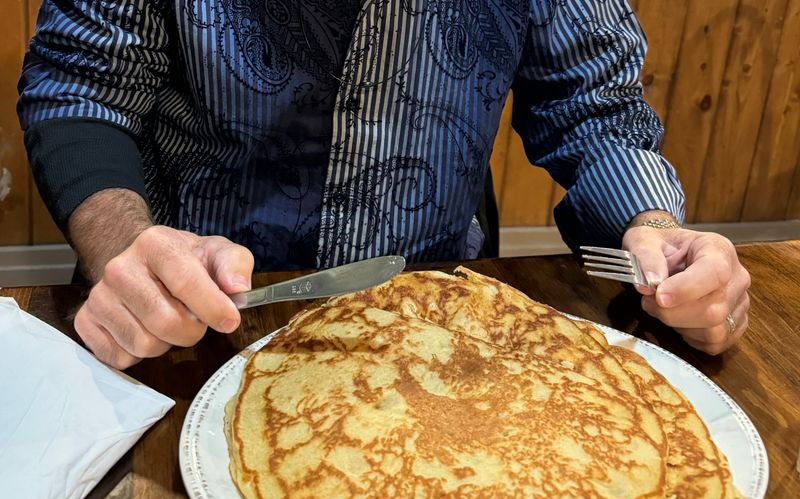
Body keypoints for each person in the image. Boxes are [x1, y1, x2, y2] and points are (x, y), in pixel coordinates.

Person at [17, 0, 750, 370]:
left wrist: (658, 236)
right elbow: (83, 88)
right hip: (186, 320)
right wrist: (126, 243)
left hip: (440, 323)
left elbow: (595, 108)